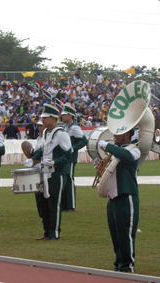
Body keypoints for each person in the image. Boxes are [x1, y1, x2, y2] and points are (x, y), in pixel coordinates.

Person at [26, 104, 71, 240]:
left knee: (54, 204)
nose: (42, 120)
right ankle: (47, 232)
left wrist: (54, 162)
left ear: (53, 118)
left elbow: (67, 155)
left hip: (56, 174)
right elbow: (41, 150)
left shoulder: (62, 134)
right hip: (44, 173)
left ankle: (55, 233)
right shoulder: (46, 132)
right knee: (44, 204)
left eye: (45, 118)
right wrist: (33, 159)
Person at [97, 128, 140, 273]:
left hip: (126, 195)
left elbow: (126, 156)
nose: (114, 136)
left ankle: (127, 265)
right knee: (115, 234)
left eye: (118, 133)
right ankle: (119, 262)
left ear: (127, 135)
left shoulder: (134, 149)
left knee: (125, 234)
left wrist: (108, 146)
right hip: (113, 196)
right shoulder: (116, 151)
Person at [60, 103, 89, 212]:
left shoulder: (75, 128)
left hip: (71, 158)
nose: (62, 116)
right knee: (65, 180)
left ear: (70, 115)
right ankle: (65, 205)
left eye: (64, 115)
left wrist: (73, 148)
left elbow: (84, 141)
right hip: (65, 158)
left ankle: (71, 205)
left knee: (69, 180)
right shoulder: (65, 127)